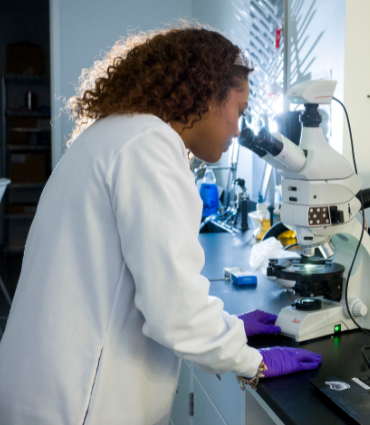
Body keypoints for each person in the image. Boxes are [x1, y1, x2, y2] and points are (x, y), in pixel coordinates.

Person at [0, 25, 321, 424]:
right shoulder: (150, 147)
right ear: (205, 92)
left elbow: (139, 285)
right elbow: (177, 315)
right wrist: (252, 360)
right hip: (76, 403)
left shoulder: (120, 133)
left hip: (43, 388)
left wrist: (228, 326)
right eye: (238, 111)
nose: (238, 129)